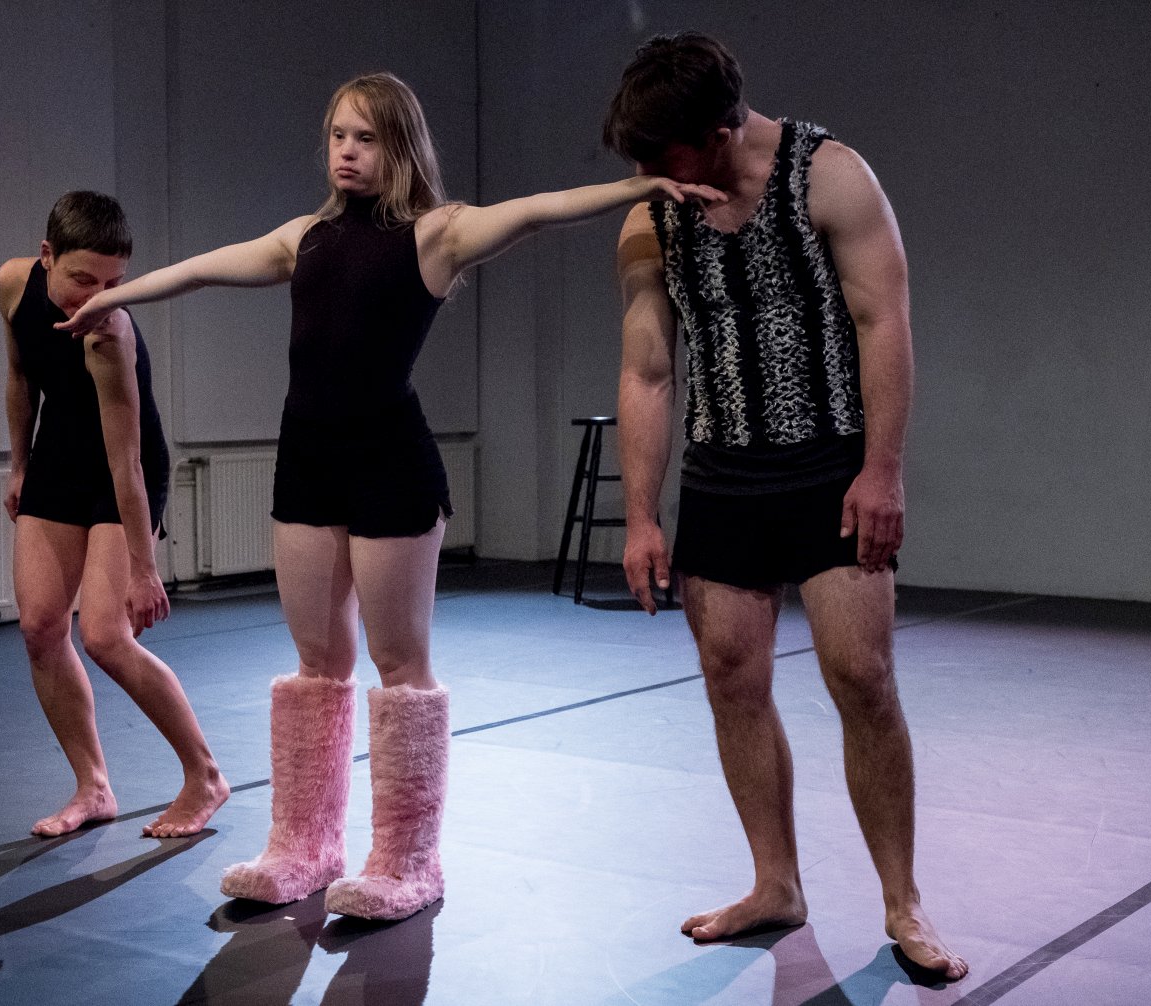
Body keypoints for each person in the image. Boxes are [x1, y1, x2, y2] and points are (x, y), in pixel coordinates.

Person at [58, 73, 724, 921]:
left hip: (391, 468)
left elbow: (538, 209)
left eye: (366, 138)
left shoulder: (437, 235)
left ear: (400, 146)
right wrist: (116, 295)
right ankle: (303, 846)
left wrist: (642, 186)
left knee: (400, 667)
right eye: (338, 135)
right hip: (308, 464)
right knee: (315, 665)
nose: (346, 151)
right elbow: (200, 270)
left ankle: (408, 860)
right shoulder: (304, 238)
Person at [605, 32, 967, 980]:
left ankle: (904, 903)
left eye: (662, 155)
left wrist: (881, 470)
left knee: (862, 676)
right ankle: (776, 884)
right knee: (731, 677)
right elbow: (648, 369)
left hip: (829, 468)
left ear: (720, 133)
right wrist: (641, 515)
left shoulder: (831, 177)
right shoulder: (652, 214)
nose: (646, 176)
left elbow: (884, 323)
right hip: (722, 474)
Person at [0, 191, 230, 839]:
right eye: (83, 279)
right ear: (46, 256)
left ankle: (205, 776)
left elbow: (127, 465)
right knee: (41, 628)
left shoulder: (108, 333)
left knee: (104, 635)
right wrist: (19, 465)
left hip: (122, 473)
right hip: (57, 460)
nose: (98, 297)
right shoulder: (12, 285)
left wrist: (144, 568)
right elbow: (20, 376)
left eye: (115, 283)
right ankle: (93, 787)